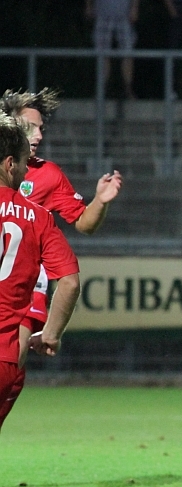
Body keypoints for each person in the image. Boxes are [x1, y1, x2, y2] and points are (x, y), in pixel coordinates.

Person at [0, 88, 123, 432]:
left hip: (25, 284)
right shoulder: (11, 175)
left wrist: (100, 201)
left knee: (14, 359)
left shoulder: (48, 174)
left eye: (41, 128)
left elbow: (84, 222)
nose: (38, 135)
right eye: (30, 127)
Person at [0, 117, 81, 438]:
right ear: (9, 164)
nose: (25, 172)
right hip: (5, 358)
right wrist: (51, 335)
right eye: (23, 164)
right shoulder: (39, 217)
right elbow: (70, 282)